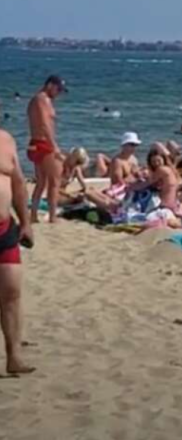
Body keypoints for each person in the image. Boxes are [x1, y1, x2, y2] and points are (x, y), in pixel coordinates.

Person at [0, 126, 35, 374]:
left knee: (12, 292)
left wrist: (25, 222)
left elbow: (19, 183)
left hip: (4, 228)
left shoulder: (6, 140)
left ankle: (14, 357)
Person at [27, 75, 67, 223]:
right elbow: (44, 124)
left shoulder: (37, 99)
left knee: (41, 182)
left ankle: (33, 215)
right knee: (55, 181)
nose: (59, 93)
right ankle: (52, 217)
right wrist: (54, 146)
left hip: (36, 143)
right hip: (43, 144)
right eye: (58, 89)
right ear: (50, 85)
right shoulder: (42, 99)